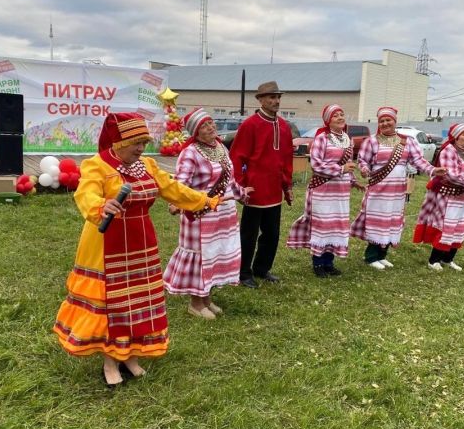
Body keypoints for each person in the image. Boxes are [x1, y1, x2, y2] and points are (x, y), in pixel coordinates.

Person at [53, 112, 220, 387]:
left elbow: (173, 189)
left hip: (141, 243)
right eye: (136, 142)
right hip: (107, 243)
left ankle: (130, 354)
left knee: (138, 301)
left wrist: (205, 200)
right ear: (118, 142)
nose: (142, 148)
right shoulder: (98, 166)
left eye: (144, 142)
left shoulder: (148, 166)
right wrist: (100, 206)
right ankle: (110, 360)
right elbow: (86, 193)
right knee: (114, 303)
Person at [163, 108, 253, 320]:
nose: (211, 127)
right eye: (204, 125)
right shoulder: (190, 152)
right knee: (201, 257)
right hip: (201, 215)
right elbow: (180, 185)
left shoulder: (221, 147)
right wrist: (177, 203)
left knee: (214, 254)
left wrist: (241, 194)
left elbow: (229, 179)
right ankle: (195, 303)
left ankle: (206, 299)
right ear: (195, 131)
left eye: (211, 123)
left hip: (223, 213)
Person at [351, 107, 446, 269]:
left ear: (395, 121)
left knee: (391, 220)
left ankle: (382, 254)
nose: (385, 123)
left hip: (397, 191)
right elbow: (362, 161)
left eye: (388, 120)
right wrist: (365, 170)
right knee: (378, 220)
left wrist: (433, 170)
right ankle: (371, 256)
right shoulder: (372, 141)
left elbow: (418, 161)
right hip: (379, 188)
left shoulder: (407, 141)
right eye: (382, 121)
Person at [229, 81, 294, 289]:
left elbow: (286, 160)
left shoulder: (284, 126)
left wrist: (287, 186)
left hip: (274, 190)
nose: (275, 101)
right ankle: (244, 272)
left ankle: (261, 268)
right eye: (271, 97)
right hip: (254, 191)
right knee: (249, 234)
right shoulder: (250, 125)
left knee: (272, 234)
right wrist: (239, 187)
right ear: (260, 100)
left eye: (277, 97)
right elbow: (237, 158)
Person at [286, 104, 360, 277]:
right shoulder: (321, 139)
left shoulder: (348, 139)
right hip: (323, 189)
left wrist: (354, 181)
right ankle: (318, 263)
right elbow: (316, 164)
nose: (340, 118)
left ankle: (329, 262)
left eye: (342, 114)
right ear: (328, 120)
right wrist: (340, 170)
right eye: (336, 116)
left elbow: (349, 165)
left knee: (336, 225)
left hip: (340, 191)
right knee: (323, 225)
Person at [413, 123, 464, 271]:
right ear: (455, 136)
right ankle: (434, 260)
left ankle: (448, 259)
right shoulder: (448, 151)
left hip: (463, 196)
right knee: (445, 225)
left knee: (458, 226)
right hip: (448, 196)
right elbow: (451, 174)